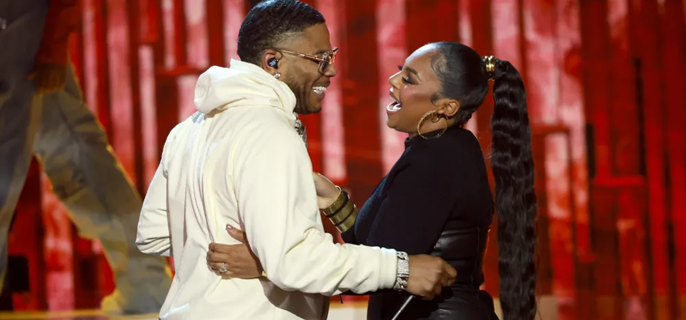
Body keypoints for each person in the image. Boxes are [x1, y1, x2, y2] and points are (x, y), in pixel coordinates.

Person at [135, 1, 456, 319]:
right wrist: (402, 269)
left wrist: (260, 254)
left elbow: (153, 234)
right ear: (273, 60)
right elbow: (293, 261)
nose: (330, 69)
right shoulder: (269, 132)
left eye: (332, 56)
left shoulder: (187, 131)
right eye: (320, 59)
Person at [207, 42, 538, 320]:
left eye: (408, 79)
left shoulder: (436, 160)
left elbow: (379, 270)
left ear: (445, 107)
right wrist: (334, 201)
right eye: (399, 70)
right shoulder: (440, 150)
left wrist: (270, 264)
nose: (393, 81)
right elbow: (380, 252)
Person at [0, 0, 171, 313]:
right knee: (67, 147)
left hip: (19, 19)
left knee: (61, 149)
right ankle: (145, 281)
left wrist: (52, 45)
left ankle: (145, 281)